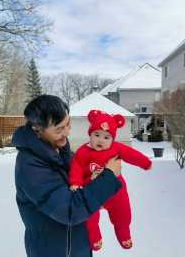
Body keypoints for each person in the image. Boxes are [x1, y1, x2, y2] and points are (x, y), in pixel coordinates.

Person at [12, 95, 123, 257]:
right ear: (37, 129)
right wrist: (108, 177)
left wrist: (95, 179)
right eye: (59, 129)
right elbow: (70, 210)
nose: (67, 132)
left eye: (68, 124)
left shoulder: (61, 151)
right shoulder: (30, 166)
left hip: (79, 248)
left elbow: (79, 189)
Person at [69, 109, 152, 251]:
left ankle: (123, 234)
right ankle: (95, 237)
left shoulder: (116, 148)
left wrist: (145, 162)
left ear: (112, 139)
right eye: (96, 135)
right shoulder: (83, 151)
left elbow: (132, 155)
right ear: (90, 134)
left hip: (116, 192)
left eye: (106, 137)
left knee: (123, 214)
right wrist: (76, 182)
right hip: (93, 194)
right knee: (89, 218)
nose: (100, 140)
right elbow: (75, 167)